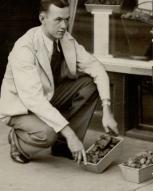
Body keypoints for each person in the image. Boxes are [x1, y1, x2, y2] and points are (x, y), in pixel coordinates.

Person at [0, 0, 118, 165]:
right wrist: (70, 134)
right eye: (58, 20)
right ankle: (19, 143)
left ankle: (63, 147)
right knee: (47, 133)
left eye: (67, 19)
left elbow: (95, 67)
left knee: (89, 83)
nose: (64, 26)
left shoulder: (65, 38)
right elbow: (34, 100)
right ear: (43, 18)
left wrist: (107, 109)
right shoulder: (24, 48)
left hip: (48, 96)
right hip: (21, 108)